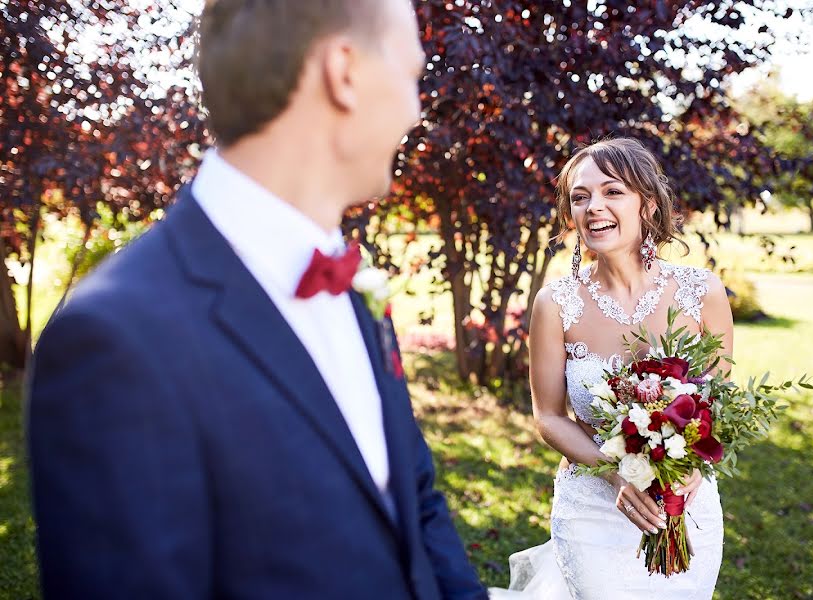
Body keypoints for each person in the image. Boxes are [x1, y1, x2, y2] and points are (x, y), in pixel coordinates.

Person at [27, 1, 487, 598]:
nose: (416, 109)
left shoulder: (352, 284)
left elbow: (415, 501)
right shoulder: (115, 339)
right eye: (411, 74)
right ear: (342, 72)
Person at [492, 138, 732, 599]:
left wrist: (691, 467)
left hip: (689, 508)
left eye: (612, 191)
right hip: (592, 512)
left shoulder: (703, 292)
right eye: (580, 197)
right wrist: (617, 474)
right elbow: (549, 417)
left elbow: (721, 399)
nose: (593, 207)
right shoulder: (555, 304)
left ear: (648, 203)